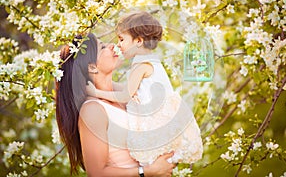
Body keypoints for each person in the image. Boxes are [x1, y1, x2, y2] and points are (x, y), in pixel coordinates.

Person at [86, 11, 203, 165]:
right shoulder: (151, 61)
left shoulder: (141, 66)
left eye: (122, 39)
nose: (118, 44)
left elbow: (125, 96)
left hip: (154, 121)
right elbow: (132, 88)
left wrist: (96, 92)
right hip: (165, 119)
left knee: (148, 157)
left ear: (139, 41)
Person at [55, 33, 176, 176]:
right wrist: (147, 172)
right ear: (92, 67)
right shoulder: (93, 110)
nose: (113, 46)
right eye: (103, 47)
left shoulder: (126, 96)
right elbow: (96, 173)